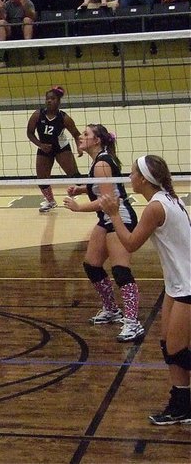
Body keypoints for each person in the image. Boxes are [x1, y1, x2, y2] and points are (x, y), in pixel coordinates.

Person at [98, 155, 190, 425]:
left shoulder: (156, 207)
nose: (129, 178)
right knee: (168, 346)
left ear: (143, 179)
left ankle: (183, 405)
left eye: (132, 174)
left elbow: (130, 244)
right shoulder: (168, 199)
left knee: (178, 350)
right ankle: (182, 405)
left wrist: (114, 214)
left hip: (187, 284)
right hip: (177, 284)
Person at [62, 124, 144, 343]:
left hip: (120, 218)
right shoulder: (99, 161)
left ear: (97, 140)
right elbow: (102, 189)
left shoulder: (101, 164)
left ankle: (133, 323)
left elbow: (107, 201)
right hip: (106, 219)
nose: (81, 136)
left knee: (121, 271)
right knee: (92, 265)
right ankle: (112, 309)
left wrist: (79, 207)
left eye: (86, 134)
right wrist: (82, 190)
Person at [26, 86, 82, 213]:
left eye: (52, 98)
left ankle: (91, 195)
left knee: (74, 175)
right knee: (41, 178)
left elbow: (76, 134)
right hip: (44, 148)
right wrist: (40, 145)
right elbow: (30, 133)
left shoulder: (64, 118)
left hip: (61, 148)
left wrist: (80, 147)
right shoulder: (37, 114)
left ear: (58, 101)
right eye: (47, 99)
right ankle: (50, 201)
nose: (49, 101)